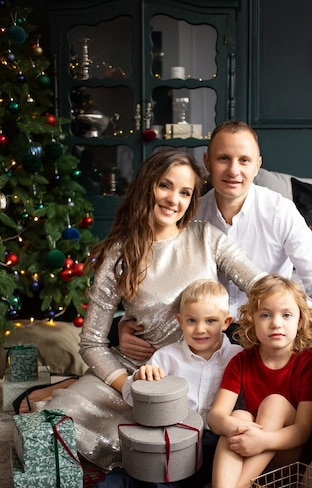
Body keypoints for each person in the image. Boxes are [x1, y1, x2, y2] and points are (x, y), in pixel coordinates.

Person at [41, 149, 265, 471]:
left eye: (185, 192)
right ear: (148, 184)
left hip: (192, 370)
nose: (174, 199)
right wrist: (131, 387)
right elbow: (91, 342)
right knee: (60, 419)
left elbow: (262, 286)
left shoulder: (206, 238)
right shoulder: (118, 255)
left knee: (174, 437)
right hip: (135, 373)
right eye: (165, 185)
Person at [117, 120, 312, 362]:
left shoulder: (281, 211)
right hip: (204, 331)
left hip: (269, 326)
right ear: (208, 162)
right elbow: (157, 276)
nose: (234, 170)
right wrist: (123, 323)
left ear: (257, 165)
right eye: (223, 158)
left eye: (244, 160)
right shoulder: (188, 212)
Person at [44, 279, 248, 488]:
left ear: (226, 322)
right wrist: (140, 379)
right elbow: (132, 396)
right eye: (191, 321)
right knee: (130, 472)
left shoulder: (236, 357)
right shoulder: (167, 357)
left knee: (173, 486)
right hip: (160, 433)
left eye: (210, 321)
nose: (200, 330)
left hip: (206, 441)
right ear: (179, 321)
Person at [178, 274, 312, 488]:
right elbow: (216, 415)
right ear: (252, 321)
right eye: (265, 315)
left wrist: (264, 439)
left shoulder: (308, 363)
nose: (276, 323)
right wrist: (232, 424)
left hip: (286, 457)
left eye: (286, 315)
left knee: (274, 403)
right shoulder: (241, 361)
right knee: (240, 414)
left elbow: (304, 431)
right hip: (250, 451)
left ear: (300, 322)